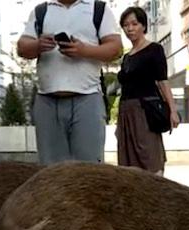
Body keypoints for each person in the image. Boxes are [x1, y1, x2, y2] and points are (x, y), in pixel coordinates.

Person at [17, 0, 122, 165]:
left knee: (89, 169)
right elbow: (22, 47)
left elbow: (116, 48)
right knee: (50, 171)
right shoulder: (41, 11)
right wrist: (38, 45)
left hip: (87, 98)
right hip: (47, 100)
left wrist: (84, 50)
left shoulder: (98, 9)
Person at [116, 6, 179, 175]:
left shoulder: (154, 49)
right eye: (126, 25)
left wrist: (173, 110)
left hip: (145, 111)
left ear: (143, 25)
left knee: (150, 157)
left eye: (134, 24)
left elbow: (163, 81)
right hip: (125, 111)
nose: (130, 28)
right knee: (127, 163)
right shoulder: (126, 57)